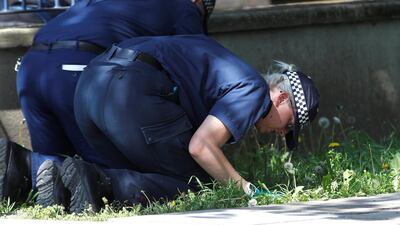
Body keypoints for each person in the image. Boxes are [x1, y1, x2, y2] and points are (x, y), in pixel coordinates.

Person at [52, 34, 319, 213]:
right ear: (282, 97)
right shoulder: (254, 91)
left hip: (91, 85)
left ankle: (26, 168)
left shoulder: (233, 75)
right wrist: (248, 191)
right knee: (198, 185)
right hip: (130, 91)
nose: (281, 133)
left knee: (147, 178)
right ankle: (98, 182)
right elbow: (201, 147)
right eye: (289, 125)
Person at [3, 0, 216, 206]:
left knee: (48, 165)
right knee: (100, 174)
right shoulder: (186, 6)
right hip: (75, 65)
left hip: (31, 67)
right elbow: (194, 65)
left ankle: (18, 162)